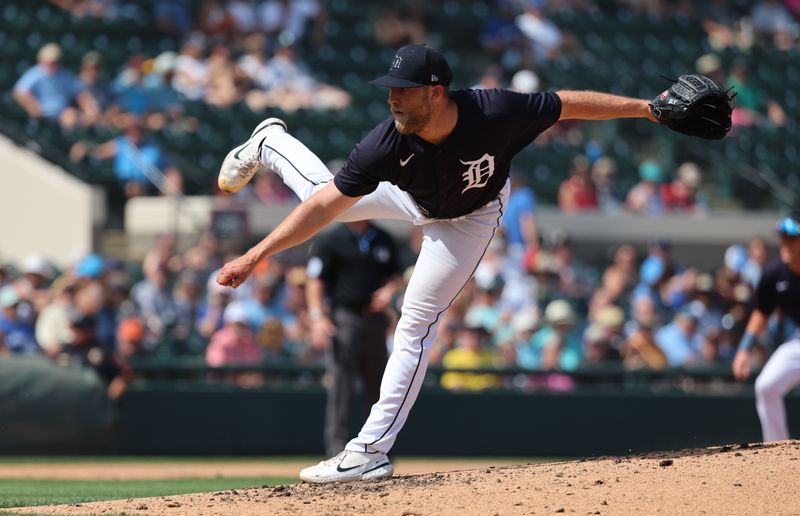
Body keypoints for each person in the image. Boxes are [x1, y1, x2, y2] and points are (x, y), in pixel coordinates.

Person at [215, 44, 670, 483]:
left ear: (436, 91)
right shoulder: (384, 144)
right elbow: (321, 208)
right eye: (389, 88)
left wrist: (647, 108)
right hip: (410, 192)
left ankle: (367, 452)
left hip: (470, 215)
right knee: (326, 195)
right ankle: (270, 142)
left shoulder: (494, 110)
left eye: (404, 89)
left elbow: (566, 104)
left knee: (416, 322)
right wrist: (256, 254)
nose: (392, 97)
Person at [305, 220, 401, 457]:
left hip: (376, 320)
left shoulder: (382, 237)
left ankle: (379, 449)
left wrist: (390, 290)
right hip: (344, 319)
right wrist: (317, 317)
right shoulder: (331, 238)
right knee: (341, 386)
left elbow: (395, 275)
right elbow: (315, 279)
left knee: (380, 387)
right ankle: (336, 451)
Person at [732, 212, 800, 441]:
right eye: (783, 237)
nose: (785, 243)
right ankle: (777, 451)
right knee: (766, 386)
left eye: (792, 238)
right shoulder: (775, 273)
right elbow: (762, 312)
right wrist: (744, 348)